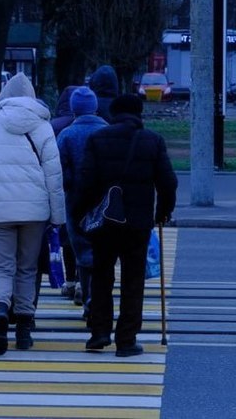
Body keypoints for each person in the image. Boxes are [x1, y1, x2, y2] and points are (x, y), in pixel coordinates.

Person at [0, 72, 65, 356]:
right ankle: (23, 329)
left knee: (0, 267)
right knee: (27, 268)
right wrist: (58, 217)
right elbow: (53, 177)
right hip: (35, 211)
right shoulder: (44, 128)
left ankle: (0, 312)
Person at [74, 93, 176, 357]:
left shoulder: (97, 139)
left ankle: (99, 333)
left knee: (101, 277)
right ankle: (126, 340)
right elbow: (168, 182)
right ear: (139, 112)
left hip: (104, 222)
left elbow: (84, 183)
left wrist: (80, 216)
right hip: (138, 223)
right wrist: (162, 213)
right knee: (133, 281)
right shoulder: (152, 140)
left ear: (113, 112)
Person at [56, 86, 109, 324]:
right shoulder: (107, 131)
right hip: (104, 201)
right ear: (95, 107)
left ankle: (87, 297)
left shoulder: (66, 135)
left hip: (75, 200)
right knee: (101, 252)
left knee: (82, 251)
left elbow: (61, 173)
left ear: (75, 109)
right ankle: (97, 301)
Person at [49, 85, 79, 301]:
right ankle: (82, 280)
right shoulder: (99, 124)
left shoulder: (53, 127)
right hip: (89, 190)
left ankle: (70, 280)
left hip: (62, 189)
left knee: (67, 236)